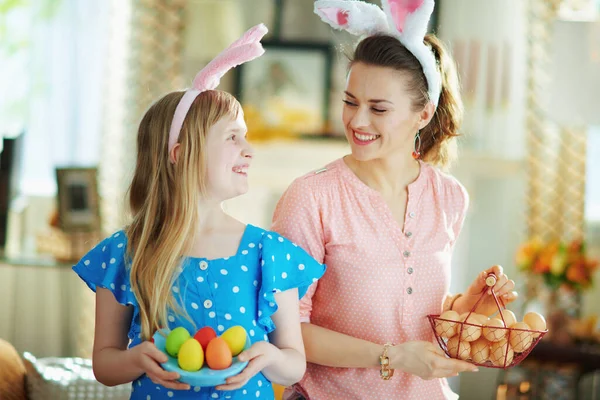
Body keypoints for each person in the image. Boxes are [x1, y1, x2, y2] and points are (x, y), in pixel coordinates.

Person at [271, 1, 518, 399]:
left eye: (378, 108)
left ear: (424, 113)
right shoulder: (311, 197)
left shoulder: (449, 196)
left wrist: (465, 306)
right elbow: (286, 331)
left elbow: (412, 311)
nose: (357, 121)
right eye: (350, 102)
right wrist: (392, 357)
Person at [72, 24, 325, 400]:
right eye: (232, 137)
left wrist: (268, 356)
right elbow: (104, 365)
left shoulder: (268, 253)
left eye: (246, 136)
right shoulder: (127, 251)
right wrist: (137, 359)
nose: (249, 150)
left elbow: (294, 365)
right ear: (181, 156)